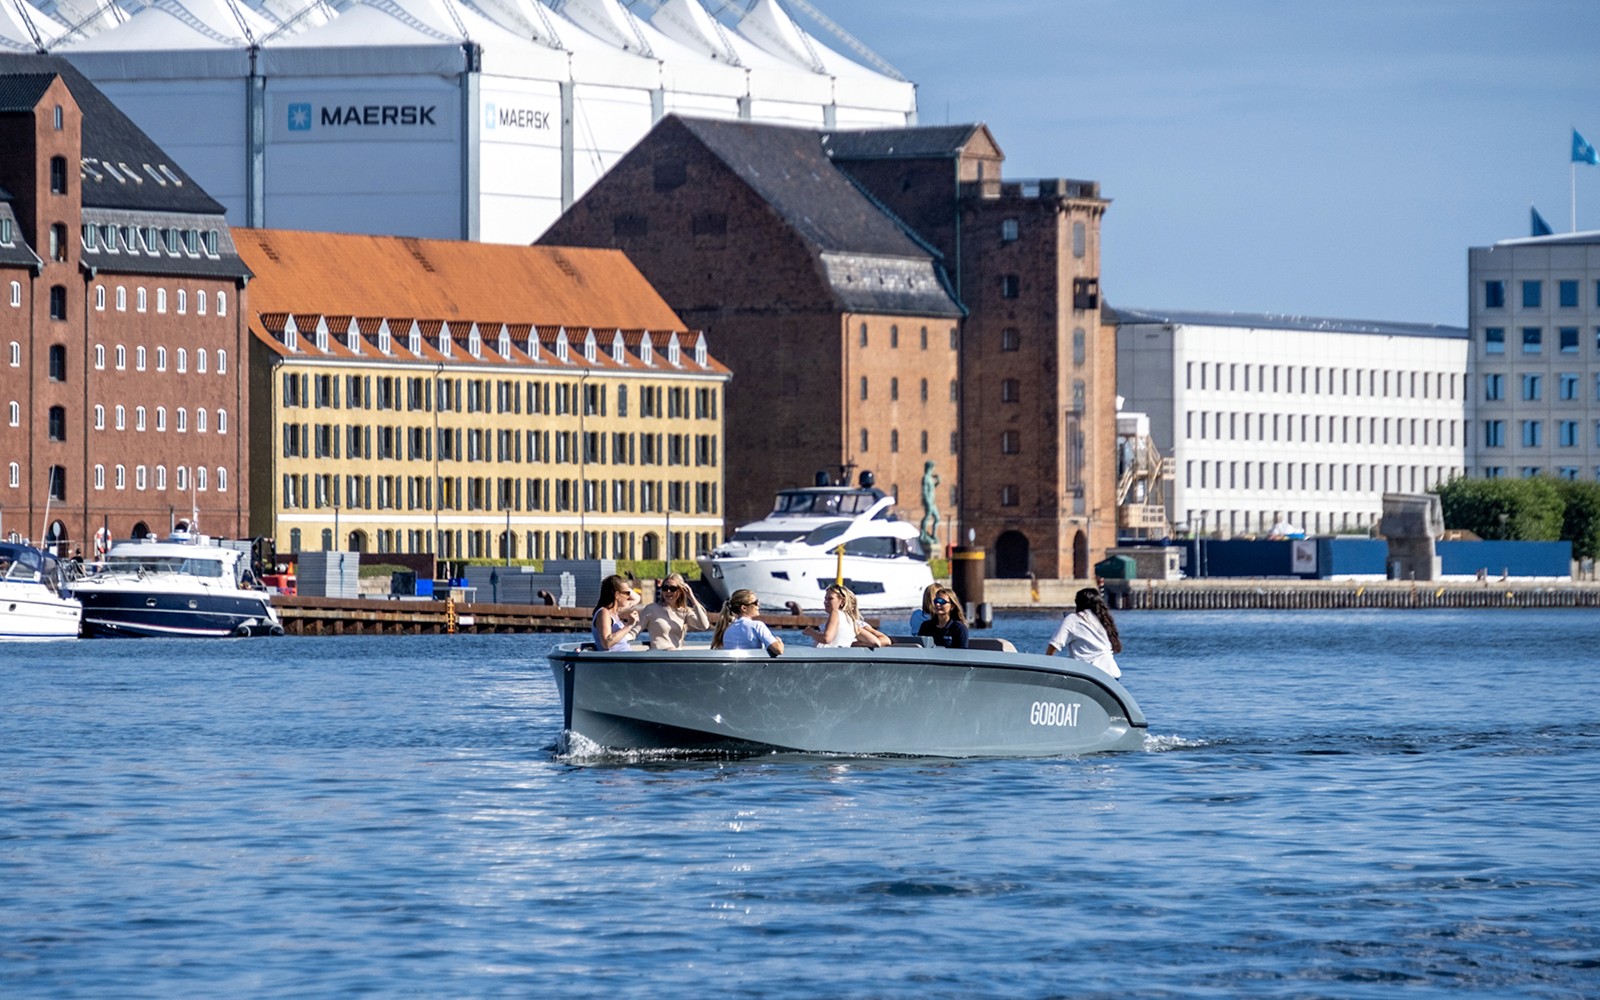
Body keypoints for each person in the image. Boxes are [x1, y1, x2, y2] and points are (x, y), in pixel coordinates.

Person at [1046, 587, 1122, 676]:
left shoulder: (1073, 619)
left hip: (1090, 674)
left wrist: (1047, 665)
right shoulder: (1104, 619)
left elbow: (1054, 645)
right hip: (1111, 672)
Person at [637, 573, 712, 649]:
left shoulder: (685, 612)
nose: (668, 591)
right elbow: (634, 631)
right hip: (657, 657)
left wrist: (692, 598)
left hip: (676, 657)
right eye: (665, 588)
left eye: (673, 589)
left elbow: (704, 625)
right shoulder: (651, 609)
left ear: (680, 591)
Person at [804, 584, 890, 648]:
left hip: (824, 658)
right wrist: (852, 644)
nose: (825, 602)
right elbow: (876, 643)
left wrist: (811, 632)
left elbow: (826, 639)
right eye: (825, 599)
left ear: (842, 601)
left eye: (830, 599)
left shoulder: (836, 613)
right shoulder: (851, 623)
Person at [710, 588, 783, 656]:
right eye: (756, 602)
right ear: (744, 608)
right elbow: (779, 650)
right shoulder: (757, 626)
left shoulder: (727, 629)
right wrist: (779, 641)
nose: (759, 605)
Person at [591, 574, 642, 651]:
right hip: (616, 660)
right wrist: (629, 626)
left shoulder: (615, 611)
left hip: (626, 657)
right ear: (617, 595)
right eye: (627, 593)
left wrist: (623, 587)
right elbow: (606, 643)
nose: (629, 596)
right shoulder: (603, 613)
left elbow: (637, 598)